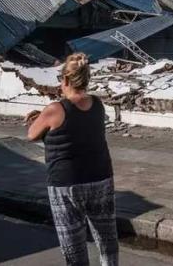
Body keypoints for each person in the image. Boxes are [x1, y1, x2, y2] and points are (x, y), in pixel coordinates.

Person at [26, 53, 118, 266]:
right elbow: (79, 128)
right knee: (107, 238)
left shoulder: (54, 109)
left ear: (66, 80)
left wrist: (38, 117)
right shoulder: (97, 104)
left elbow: (31, 134)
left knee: (74, 247)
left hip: (66, 184)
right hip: (101, 178)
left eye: (60, 79)